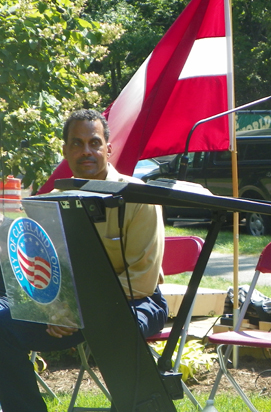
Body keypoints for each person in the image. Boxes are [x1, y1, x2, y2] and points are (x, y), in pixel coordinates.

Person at [0, 109, 168, 412]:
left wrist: (77, 310)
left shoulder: (138, 196)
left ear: (108, 147)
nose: (86, 151)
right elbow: (42, 272)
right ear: (65, 151)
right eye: (76, 144)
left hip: (134, 301)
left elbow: (142, 281)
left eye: (94, 142)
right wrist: (52, 307)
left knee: (117, 329)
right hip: (66, 307)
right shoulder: (49, 200)